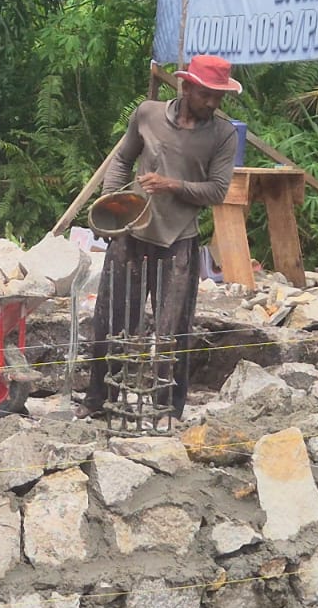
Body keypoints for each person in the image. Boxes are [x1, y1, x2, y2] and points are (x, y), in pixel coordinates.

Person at [80, 54, 241, 420]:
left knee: (173, 332)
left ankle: (168, 408)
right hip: (133, 231)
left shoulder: (222, 134)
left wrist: (172, 185)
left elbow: (217, 191)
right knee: (111, 321)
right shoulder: (148, 114)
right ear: (186, 87)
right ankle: (98, 401)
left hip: (179, 240)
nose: (213, 103)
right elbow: (122, 159)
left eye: (219, 97)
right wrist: (112, 205)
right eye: (205, 95)